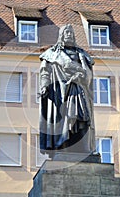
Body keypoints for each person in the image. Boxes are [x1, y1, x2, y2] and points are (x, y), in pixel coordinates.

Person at [39, 24, 95, 157]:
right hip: (60, 92)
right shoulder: (52, 54)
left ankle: (83, 148)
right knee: (63, 119)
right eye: (66, 32)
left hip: (79, 90)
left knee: (83, 118)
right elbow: (44, 72)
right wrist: (44, 86)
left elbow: (88, 74)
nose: (69, 35)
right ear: (61, 36)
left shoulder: (82, 55)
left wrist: (81, 76)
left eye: (71, 33)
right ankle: (62, 147)